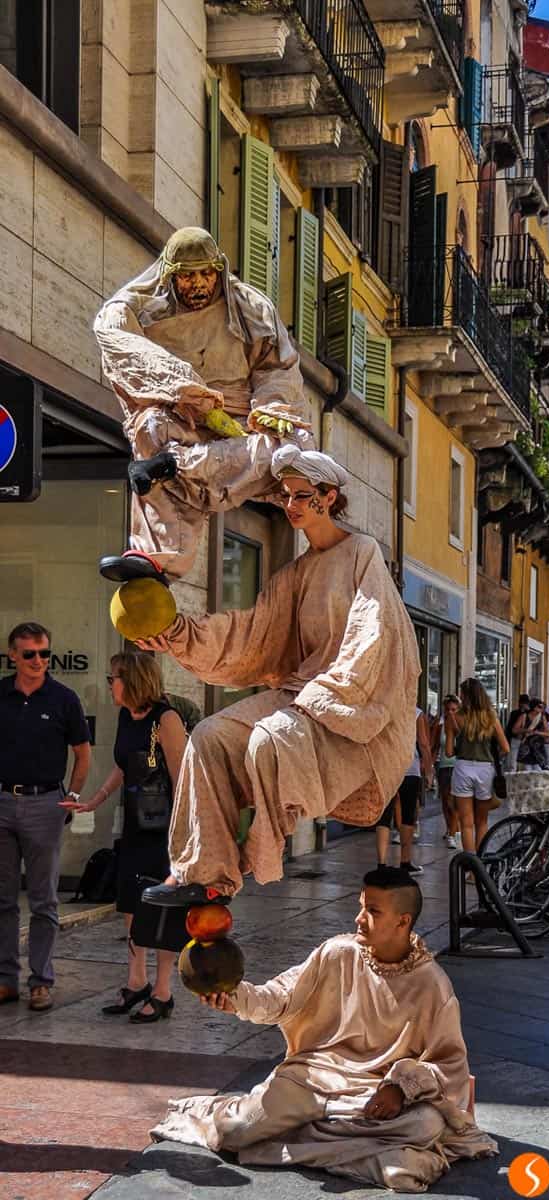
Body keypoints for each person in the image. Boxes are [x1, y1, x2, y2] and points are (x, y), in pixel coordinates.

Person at [135, 447, 420, 905]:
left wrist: (325, 695)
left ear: (329, 496)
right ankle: (202, 872)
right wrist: (176, 634)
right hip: (302, 694)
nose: (292, 506)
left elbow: (374, 635)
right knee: (209, 735)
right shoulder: (296, 573)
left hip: (348, 705)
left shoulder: (362, 552)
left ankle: (257, 852)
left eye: (303, 496)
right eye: (287, 496)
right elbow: (251, 633)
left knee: (270, 737)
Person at [150, 867, 496, 1190]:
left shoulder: (432, 984)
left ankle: (300, 1132)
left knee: (424, 1125)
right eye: (362, 907)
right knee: (232, 1131)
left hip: (371, 1095)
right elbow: (281, 997)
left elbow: (449, 1065)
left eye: (373, 912)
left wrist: (400, 1089)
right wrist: (237, 997)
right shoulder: (337, 953)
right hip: (312, 1079)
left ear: (403, 921)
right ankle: (342, 1144)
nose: (359, 919)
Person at [94, 226, 312, 588]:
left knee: (295, 450)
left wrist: (269, 410)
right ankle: (160, 554)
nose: (198, 283)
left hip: (245, 424)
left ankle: (175, 467)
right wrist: (180, 386)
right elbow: (118, 340)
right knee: (150, 428)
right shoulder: (146, 310)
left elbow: (276, 368)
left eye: (206, 274)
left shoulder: (252, 308)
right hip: (184, 418)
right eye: (187, 276)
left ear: (219, 272)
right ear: (171, 276)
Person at [61, 653, 187, 1022]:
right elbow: (122, 763)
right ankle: (136, 982)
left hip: (164, 829)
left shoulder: (165, 718)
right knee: (132, 904)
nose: (108, 684)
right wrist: (96, 800)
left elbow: (182, 779)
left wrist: (183, 835)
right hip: (135, 823)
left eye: (112, 677)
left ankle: (163, 991)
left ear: (132, 680)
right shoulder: (124, 716)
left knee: (163, 906)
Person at [0, 622, 91, 1012]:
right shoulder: (0, 694)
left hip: (45, 805)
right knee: (3, 900)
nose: (39, 661)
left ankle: (41, 981)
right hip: (2, 801)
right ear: (13, 657)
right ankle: (5, 980)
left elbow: (82, 754)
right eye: (30, 654)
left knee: (43, 900)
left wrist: (72, 794)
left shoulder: (64, 699)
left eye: (44, 653)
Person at [445, 679, 509, 854]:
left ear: (465, 696)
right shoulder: (490, 717)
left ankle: (470, 865)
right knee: (482, 821)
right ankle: (478, 869)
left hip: (463, 768)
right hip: (485, 769)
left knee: (466, 823)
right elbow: (505, 748)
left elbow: (449, 752)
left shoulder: (455, 718)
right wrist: (490, 754)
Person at [375, 708, 433, 875]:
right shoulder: (415, 713)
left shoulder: (384, 708)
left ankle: (381, 864)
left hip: (386, 767)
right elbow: (423, 743)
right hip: (409, 767)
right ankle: (405, 862)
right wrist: (428, 771)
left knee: (384, 816)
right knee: (408, 815)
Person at [431, 695, 460, 848]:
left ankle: (452, 833)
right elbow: (435, 745)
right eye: (448, 709)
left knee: (452, 802)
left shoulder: (461, 723)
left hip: (458, 766)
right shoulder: (439, 724)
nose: (450, 712)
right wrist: (429, 765)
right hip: (443, 766)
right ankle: (450, 828)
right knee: (445, 800)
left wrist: (454, 721)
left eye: (454, 710)